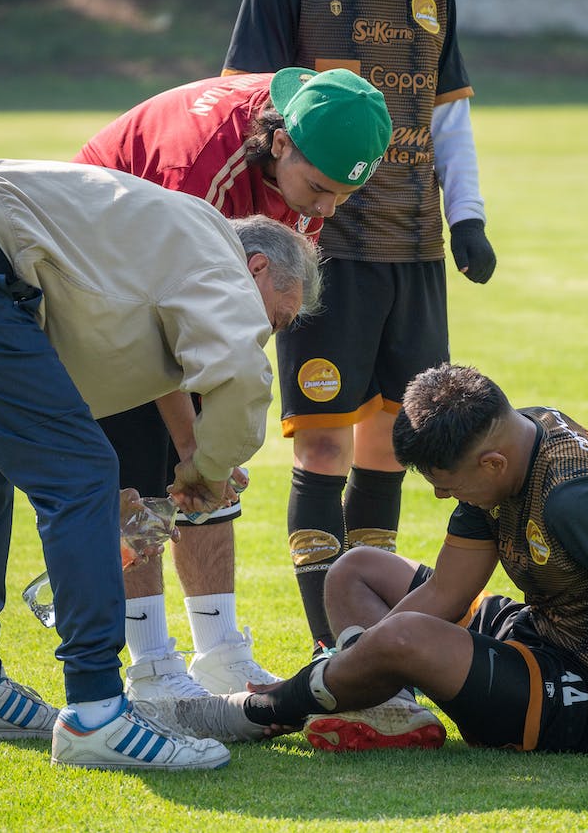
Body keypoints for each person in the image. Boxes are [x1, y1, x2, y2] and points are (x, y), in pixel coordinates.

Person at [0, 158, 320, 771]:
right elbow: (241, 373)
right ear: (257, 268)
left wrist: (183, 462)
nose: (268, 332)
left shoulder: (164, 241)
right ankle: (97, 713)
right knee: (85, 473)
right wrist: (209, 470)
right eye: (275, 316)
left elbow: (73, 369)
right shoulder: (216, 253)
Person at [155, 365, 588, 770]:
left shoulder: (575, 497)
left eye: (444, 482)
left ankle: (260, 714)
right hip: (542, 634)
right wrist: (368, 658)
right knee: (355, 571)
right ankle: (387, 707)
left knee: (402, 635)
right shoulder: (509, 446)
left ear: (491, 465)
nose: (440, 496)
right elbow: (449, 591)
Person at [73, 67, 391, 700]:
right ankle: (152, 668)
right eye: (320, 190)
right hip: (98, 285)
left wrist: (212, 445)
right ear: (280, 145)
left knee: (206, 458)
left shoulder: (312, 148)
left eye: (342, 198)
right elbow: (155, 326)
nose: (326, 210)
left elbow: (247, 320)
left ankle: (218, 653)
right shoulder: (195, 171)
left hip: (160, 284)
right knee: (145, 470)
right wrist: (193, 449)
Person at [222, 0, 498, 654]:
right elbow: (247, 105)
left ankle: (372, 640)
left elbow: (448, 115)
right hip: (320, 249)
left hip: (412, 246)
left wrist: (466, 218)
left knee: (392, 448)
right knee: (321, 446)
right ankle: (332, 646)